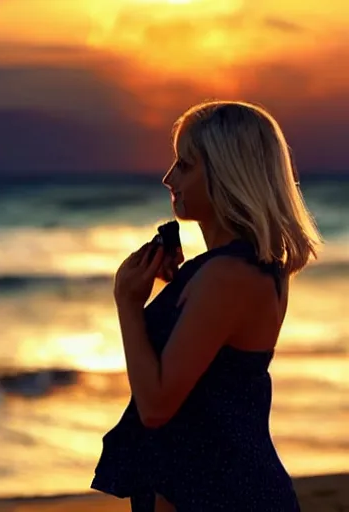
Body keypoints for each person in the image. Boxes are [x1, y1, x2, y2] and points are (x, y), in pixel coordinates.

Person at [90, 100, 322, 511]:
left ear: (225, 172)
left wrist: (127, 303)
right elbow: (217, 378)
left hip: (223, 494)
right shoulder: (246, 268)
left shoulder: (225, 277)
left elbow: (157, 406)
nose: (167, 177)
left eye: (184, 164)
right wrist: (179, 289)